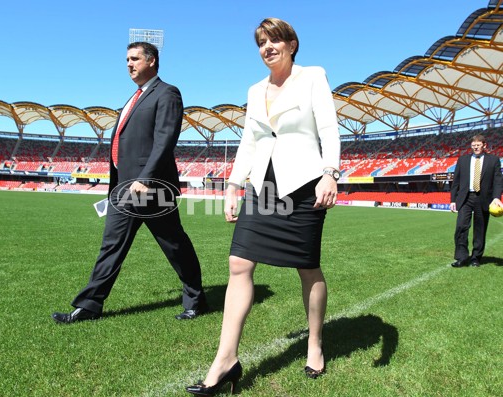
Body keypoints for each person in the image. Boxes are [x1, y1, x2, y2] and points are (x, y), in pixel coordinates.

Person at [186, 18, 340, 395]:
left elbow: (328, 128)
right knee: (239, 263)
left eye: (273, 40)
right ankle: (225, 360)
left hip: (304, 184)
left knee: (307, 268)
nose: (266, 47)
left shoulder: (313, 76)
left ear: (291, 44)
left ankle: (315, 342)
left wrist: (330, 172)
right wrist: (233, 184)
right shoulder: (255, 90)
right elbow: (249, 141)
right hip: (262, 185)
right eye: (260, 42)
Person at [52, 42, 207, 324]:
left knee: (174, 244)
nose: (128, 64)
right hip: (124, 188)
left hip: (151, 188)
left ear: (152, 61)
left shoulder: (167, 93)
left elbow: (165, 139)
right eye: (127, 59)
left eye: (134, 58)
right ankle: (88, 306)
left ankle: (195, 299)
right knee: (111, 245)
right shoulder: (133, 98)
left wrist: (145, 179)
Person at [450, 134, 502, 267]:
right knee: (461, 227)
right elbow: (455, 181)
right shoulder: (462, 160)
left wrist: (496, 197)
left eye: (478, 145)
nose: (476, 148)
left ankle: (475, 258)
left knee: (480, 229)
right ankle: (461, 257)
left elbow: (498, 181)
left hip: (484, 199)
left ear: (484, 146)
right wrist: (453, 200)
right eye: (473, 146)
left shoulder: (494, 160)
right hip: (465, 198)